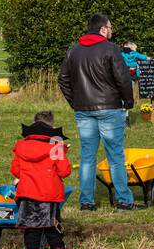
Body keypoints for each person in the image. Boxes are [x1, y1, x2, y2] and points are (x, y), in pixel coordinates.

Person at [58, 13, 142, 211]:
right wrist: (128, 101)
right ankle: (123, 200)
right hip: (110, 108)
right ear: (103, 29)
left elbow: (62, 79)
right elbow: (122, 78)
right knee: (115, 156)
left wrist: (75, 102)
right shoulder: (110, 49)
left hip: (84, 110)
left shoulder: (74, 50)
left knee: (87, 157)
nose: (111, 31)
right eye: (110, 28)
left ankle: (86, 202)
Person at [10, 111, 80, 249]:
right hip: (48, 196)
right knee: (53, 229)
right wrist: (63, 152)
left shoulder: (21, 146)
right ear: (51, 127)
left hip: (27, 195)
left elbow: (15, 170)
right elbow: (64, 172)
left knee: (31, 230)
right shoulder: (55, 147)